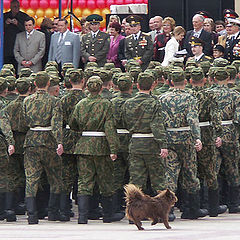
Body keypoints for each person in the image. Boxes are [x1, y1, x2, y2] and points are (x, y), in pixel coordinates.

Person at [69, 76, 123, 224]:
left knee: (84, 181)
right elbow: (109, 128)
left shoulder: (81, 104)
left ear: (87, 87)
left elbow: (73, 123)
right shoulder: (106, 104)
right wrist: (114, 148)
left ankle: (82, 216)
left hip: (84, 145)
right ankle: (108, 214)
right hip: (101, 146)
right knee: (105, 180)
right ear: (100, 88)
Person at [159, 69, 208, 220]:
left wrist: (161, 141)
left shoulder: (162, 98)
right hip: (186, 139)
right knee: (190, 174)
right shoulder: (190, 98)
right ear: (185, 82)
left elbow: (158, 122)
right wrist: (197, 138)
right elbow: (192, 119)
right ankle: (192, 209)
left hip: (168, 139)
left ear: (170, 82)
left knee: (170, 174)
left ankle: (169, 211)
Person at [22, 71, 64, 224]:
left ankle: (32, 215)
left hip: (31, 140)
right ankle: (53, 212)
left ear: (34, 84)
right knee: (55, 178)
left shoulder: (27, 101)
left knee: (31, 179)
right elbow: (56, 123)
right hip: (49, 142)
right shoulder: (54, 101)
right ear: (48, 84)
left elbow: (25, 120)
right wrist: (59, 142)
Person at [122, 72, 168, 194]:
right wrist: (163, 144)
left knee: (136, 180)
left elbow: (125, 123)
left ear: (137, 85)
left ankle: (133, 210)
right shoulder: (154, 102)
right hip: (151, 143)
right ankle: (164, 210)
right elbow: (157, 125)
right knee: (158, 179)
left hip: (135, 143)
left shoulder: (128, 103)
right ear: (153, 85)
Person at [211, 67, 240, 213]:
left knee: (213, 168)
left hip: (212, 133)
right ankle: (234, 204)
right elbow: (238, 118)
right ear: (228, 78)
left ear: (214, 78)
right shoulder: (235, 95)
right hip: (230, 134)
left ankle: (214, 204)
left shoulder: (208, 94)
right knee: (232, 168)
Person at [0, 77, 16, 221]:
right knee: (4, 174)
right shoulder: (2, 104)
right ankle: (3, 210)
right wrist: (10, 141)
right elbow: (4, 123)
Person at [3, 0, 29, 72]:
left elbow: (27, 30)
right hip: (8, 45)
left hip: (20, 46)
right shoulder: (5, 16)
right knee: (7, 67)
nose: (16, 8)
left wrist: (18, 24)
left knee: (19, 67)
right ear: (10, 7)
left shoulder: (24, 16)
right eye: (14, 6)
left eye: (18, 6)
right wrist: (6, 23)